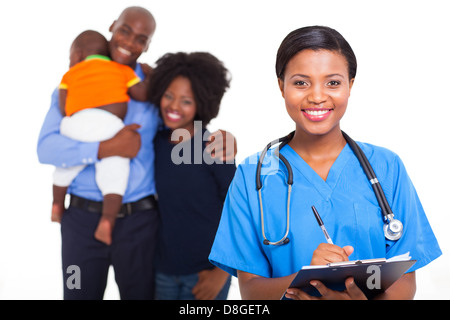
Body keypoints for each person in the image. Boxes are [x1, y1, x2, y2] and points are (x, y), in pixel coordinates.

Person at [208, 26, 441, 300]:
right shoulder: (252, 176)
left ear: (350, 85)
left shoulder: (387, 166)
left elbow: (404, 281)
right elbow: (251, 290)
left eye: (333, 82)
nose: (317, 96)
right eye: (300, 82)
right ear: (281, 86)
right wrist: (307, 278)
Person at [37, 6, 235, 300]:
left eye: (141, 38)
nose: (129, 42)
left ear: (147, 45)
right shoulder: (76, 81)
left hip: (139, 225)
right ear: (112, 26)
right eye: (125, 31)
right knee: (76, 292)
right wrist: (104, 148)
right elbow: (46, 148)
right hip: (80, 220)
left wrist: (223, 137)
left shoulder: (153, 88)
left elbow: (180, 127)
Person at [148, 52, 236, 300]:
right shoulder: (155, 143)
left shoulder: (215, 146)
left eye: (186, 101)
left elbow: (240, 213)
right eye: (169, 95)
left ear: (202, 103)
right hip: (163, 271)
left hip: (207, 272)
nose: (174, 106)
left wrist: (222, 273)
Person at [52, 30, 150, 246]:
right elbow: (142, 94)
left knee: (64, 169)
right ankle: (107, 220)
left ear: (77, 55)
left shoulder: (69, 75)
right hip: (110, 126)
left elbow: (64, 106)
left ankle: (57, 204)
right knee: (115, 171)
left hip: (75, 124)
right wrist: (151, 77)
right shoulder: (122, 71)